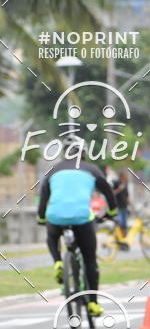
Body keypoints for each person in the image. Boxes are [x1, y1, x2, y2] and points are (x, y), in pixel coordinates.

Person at [37, 135, 118, 317]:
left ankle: (57, 261)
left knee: (51, 236)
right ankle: (93, 304)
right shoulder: (92, 169)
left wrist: (42, 217)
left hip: (55, 217)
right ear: (84, 153)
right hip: (82, 218)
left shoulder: (53, 170)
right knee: (90, 261)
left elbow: (44, 196)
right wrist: (112, 213)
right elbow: (108, 192)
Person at [111, 169, 130, 241]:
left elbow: (127, 196)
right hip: (118, 207)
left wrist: (132, 206)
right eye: (126, 175)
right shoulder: (116, 183)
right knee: (120, 223)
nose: (127, 177)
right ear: (122, 176)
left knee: (124, 225)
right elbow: (112, 193)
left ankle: (122, 240)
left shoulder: (125, 184)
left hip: (124, 207)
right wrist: (119, 189)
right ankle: (117, 239)